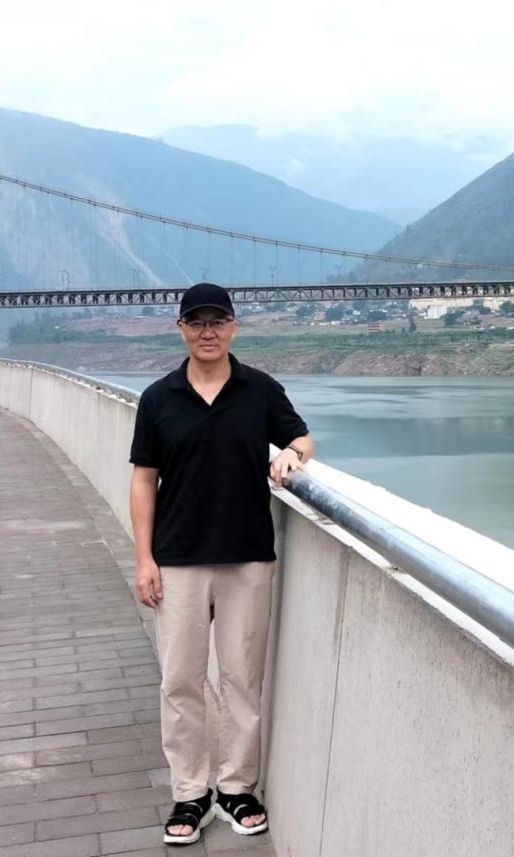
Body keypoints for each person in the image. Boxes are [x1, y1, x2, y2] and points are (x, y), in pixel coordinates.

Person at [129, 282, 314, 846]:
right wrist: (144, 559)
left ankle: (236, 788)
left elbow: (303, 438)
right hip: (178, 559)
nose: (207, 332)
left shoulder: (260, 389)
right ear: (181, 330)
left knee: (241, 679)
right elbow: (143, 481)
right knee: (180, 680)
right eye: (196, 322)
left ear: (234, 327)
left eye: (217, 321)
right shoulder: (158, 398)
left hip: (246, 557)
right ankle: (190, 793)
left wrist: (290, 454)